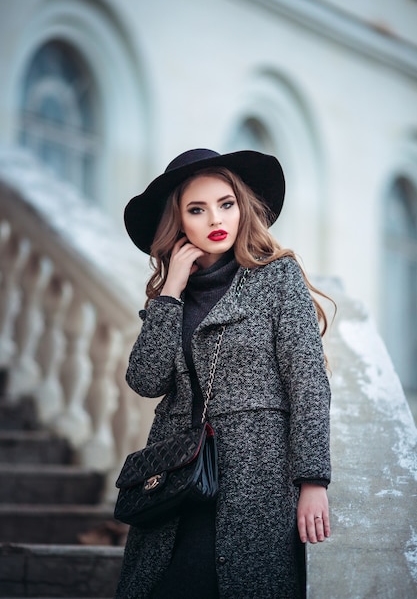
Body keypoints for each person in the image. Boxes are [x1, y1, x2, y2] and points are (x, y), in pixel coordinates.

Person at [115, 148, 332, 599]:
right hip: (176, 480)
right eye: (197, 209)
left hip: (255, 478)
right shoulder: (171, 296)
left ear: (242, 208)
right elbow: (145, 380)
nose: (216, 217)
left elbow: (308, 382)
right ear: (179, 224)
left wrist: (312, 481)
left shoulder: (277, 278)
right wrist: (171, 292)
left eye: (226, 203)